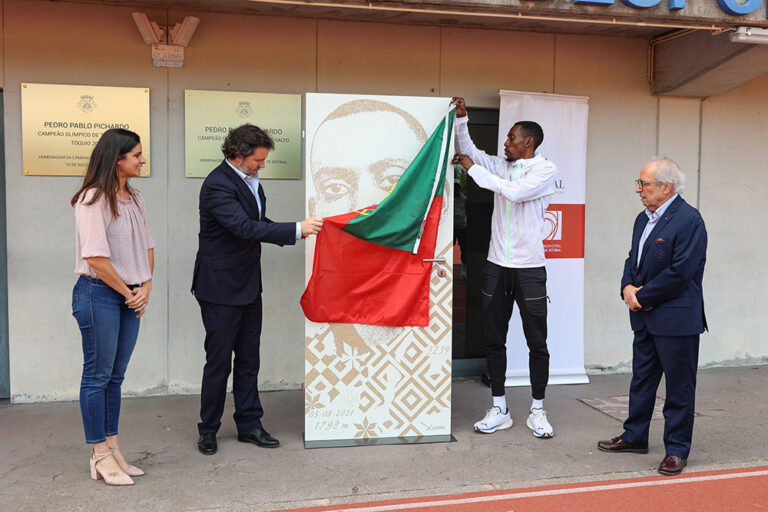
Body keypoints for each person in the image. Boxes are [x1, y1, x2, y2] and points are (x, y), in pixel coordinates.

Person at [192, 124, 323, 455]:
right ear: (238, 155)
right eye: (258, 161)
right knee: (219, 362)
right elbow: (243, 226)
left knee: (249, 359)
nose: (262, 166)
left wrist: (294, 230)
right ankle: (208, 429)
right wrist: (295, 229)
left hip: (249, 285)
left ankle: (249, 424)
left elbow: (258, 222)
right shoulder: (217, 185)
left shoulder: (250, 182)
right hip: (220, 287)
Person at [450, 97, 557, 439]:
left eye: (511, 138)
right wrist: (462, 121)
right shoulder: (502, 165)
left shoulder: (544, 170)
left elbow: (512, 193)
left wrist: (473, 170)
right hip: (497, 265)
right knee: (494, 339)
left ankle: (538, 409)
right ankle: (500, 408)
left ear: (529, 142)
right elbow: (471, 151)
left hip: (529, 269)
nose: (506, 143)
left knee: (536, 341)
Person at [598, 158, 707, 476]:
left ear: (666, 186)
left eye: (643, 184)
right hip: (645, 316)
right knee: (642, 380)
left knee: (679, 387)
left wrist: (640, 297)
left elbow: (681, 272)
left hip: (675, 319)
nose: (638, 189)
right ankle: (634, 437)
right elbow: (633, 258)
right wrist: (626, 288)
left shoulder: (689, 220)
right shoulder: (641, 219)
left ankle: (676, 449)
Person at [71, 129, 154, 486]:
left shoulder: (134, 197)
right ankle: (99, 453)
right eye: (136, 154)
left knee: (115, 377)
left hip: (129, 294)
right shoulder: (92, 199)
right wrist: (128, 291)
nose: (142, 160)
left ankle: (113, 446)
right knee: (97, 376)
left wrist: (146, 284)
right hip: (98, 294)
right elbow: (95, 257)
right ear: (116, 159)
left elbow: (147, 245)